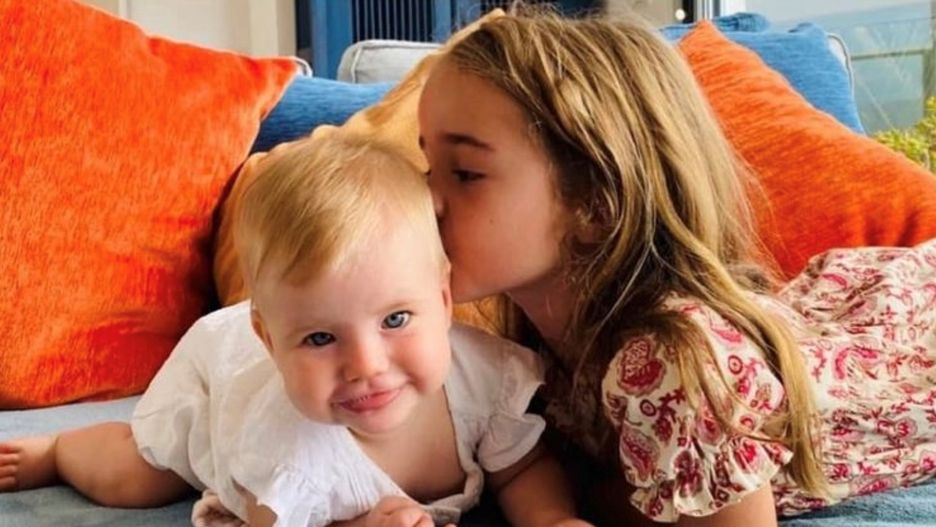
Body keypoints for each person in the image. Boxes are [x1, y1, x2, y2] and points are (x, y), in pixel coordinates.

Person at [418, 10, 936, 527]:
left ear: (597, 206)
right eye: (427, 167)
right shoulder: (527, 354)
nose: (424, 199)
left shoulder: (675, 365)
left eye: (466, 173)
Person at [0, 132, 591, 527]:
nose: (366, 365)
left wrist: (554, 519)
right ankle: (62, 451)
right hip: (219, 382)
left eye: (395, 319)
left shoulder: (483, 378)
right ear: (270, 340)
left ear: (441, 300)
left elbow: (521, 468)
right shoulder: (289, 458)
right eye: (320, 338)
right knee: (139, 476)